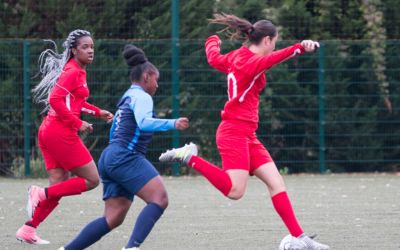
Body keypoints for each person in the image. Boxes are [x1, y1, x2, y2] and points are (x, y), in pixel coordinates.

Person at [159, 13, 330, 250]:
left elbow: (213, 58)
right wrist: (301, 47)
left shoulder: (236, 57)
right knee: (235, 191)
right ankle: (190, 157)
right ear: (267, 40)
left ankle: (300, 239)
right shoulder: (252, 62)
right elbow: (278, 57)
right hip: (233, 133)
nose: (275, 47)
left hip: (247, 134)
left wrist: (212, 42)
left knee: (276, 183)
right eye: (275, 42)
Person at [58, 44, 190, 250]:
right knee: (159, 198)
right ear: (146, 76)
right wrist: (173, 123)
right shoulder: (143, 96)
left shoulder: (127, 96)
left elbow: (115, 132)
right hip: (125, 156)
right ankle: (131, 248)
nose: (157, 85)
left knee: (112, 218)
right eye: (156, 79)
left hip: (110, 156)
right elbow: (144, 122)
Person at [16, 29, 114, 245]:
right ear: (73, 50)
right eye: (85, 47)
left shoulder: (78, 70)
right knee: (92, 180)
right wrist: (77, 123)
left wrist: (98, 112)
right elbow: (55, 100)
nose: (90, 51)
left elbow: (75, 102)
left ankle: (28, 229)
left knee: (59, 185)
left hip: (50, 131)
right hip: (59, 133)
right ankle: (39, 192)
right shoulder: (72, 71)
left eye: (92, 47)